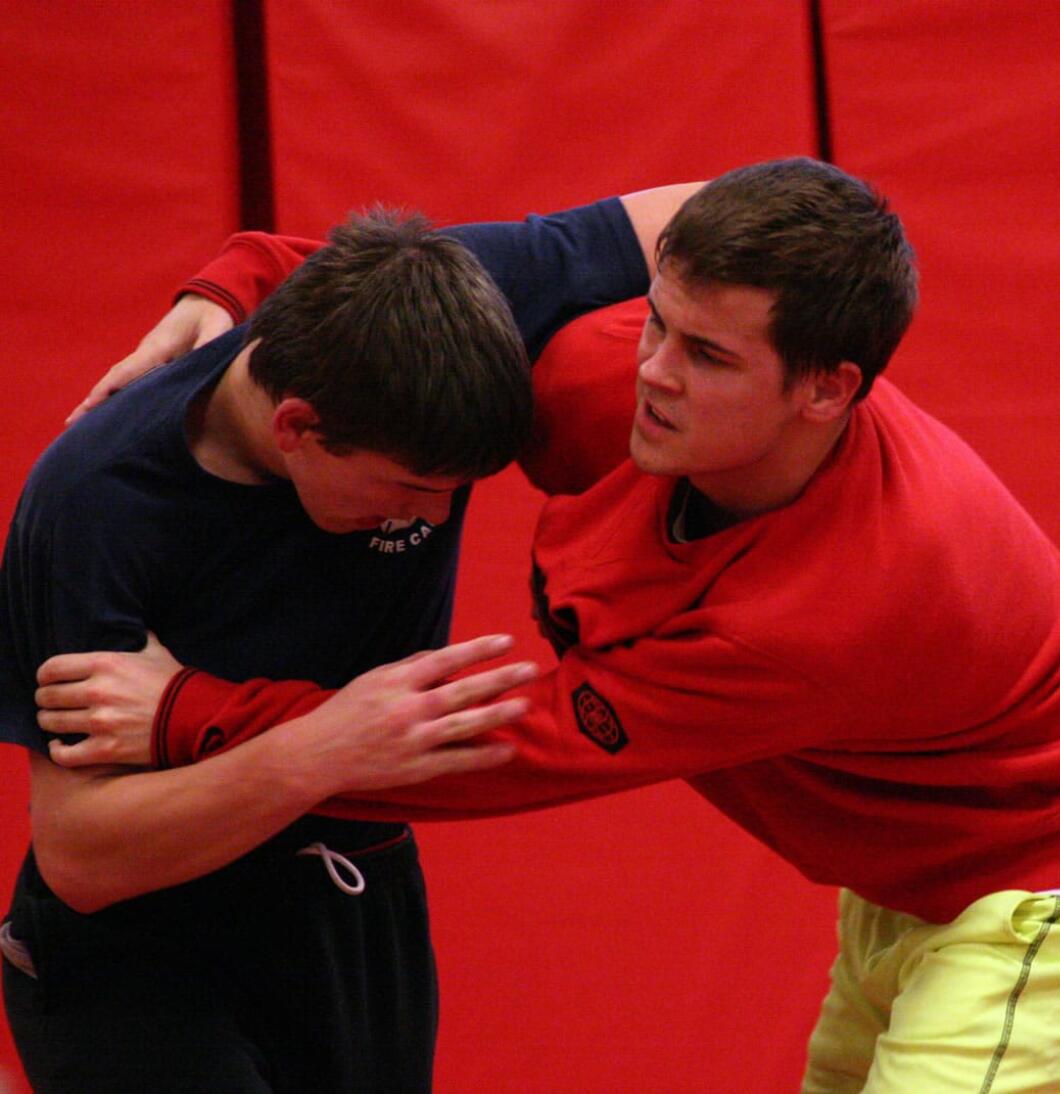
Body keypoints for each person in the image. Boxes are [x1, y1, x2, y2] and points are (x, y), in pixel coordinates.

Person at [35, 159, 1060, 1093]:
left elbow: (504, 745)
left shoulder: (825, 606)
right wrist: (242, 282)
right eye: (657, 320)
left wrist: (195, 711)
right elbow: (417, 297)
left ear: (827, 388)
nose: (652, 368)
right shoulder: (620, 374)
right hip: (916, 856)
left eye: (704, 353)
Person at [0, 183, 698, 1093]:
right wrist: (324, 747)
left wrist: (241, 267)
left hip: (353, 905)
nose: (436, 515)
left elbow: (725, 212)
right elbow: (83, 856)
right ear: (297, 427)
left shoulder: (441, 306)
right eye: (412, 487)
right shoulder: (97, 500)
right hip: (141, 949)